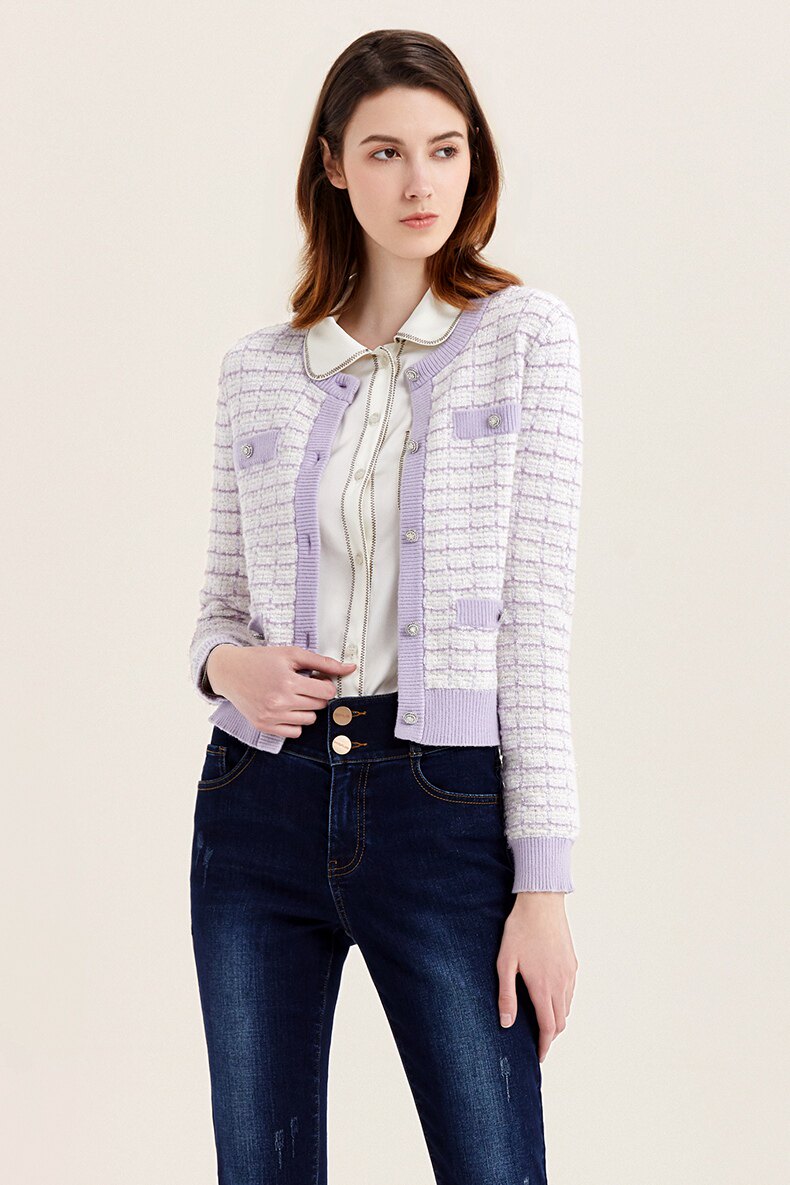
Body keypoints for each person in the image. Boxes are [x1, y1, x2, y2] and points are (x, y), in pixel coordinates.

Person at [188, 28, 583, 1185]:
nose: (420, 182)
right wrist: (228, 669)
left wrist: (543, 887)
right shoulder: (257, 369)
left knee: (493, 1165)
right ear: (331, 164)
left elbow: (534, 623)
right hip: (257, 799)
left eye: (445, 149)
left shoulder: (524, 339)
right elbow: (217, 604)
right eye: (385, 151)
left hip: (443, 807)